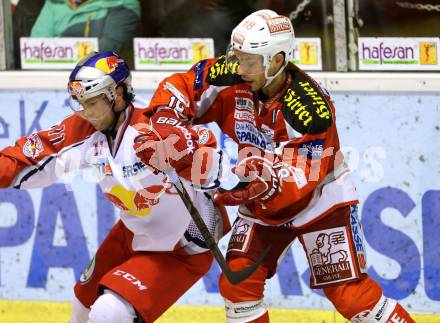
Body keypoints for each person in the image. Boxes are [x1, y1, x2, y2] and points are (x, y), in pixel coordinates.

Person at [134, 9, 415, 323]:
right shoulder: (233, 74)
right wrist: (165, 120)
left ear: (277, 61)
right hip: (260, 200)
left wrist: (245, 180)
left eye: (249, 60)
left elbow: (300, 177)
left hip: (320, 203)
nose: (239, 67)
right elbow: (184, 85)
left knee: (351, 296)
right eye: (237, 56)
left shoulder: (309, 108)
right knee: (238, 283)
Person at [0, 51, 230, 323]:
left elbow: (209, 156)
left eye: (92, 102)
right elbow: (28, 157)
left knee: (109, 313)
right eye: (80, 102)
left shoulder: (154, 127)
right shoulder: (85, 129)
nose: (85, 111)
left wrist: (194, 158)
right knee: (82, 306)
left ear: (117, 94)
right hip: (132, 232)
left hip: (181, 247)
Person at [30, 0, 140, 63]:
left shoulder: (121, 4)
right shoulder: (55, 3)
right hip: (52, 81)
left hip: (105, 85)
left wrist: (57, 52)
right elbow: (35, 52)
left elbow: (105, 52)